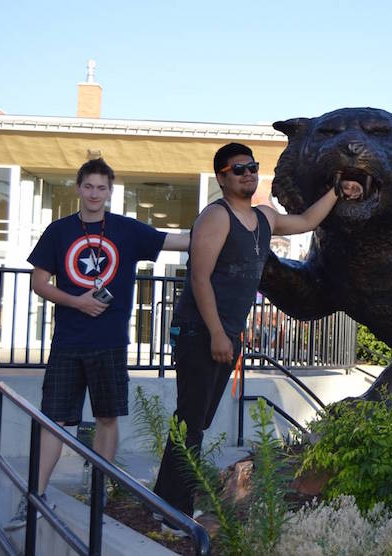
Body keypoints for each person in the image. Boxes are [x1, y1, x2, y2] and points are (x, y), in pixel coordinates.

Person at [152, 142, 357, 532]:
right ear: (222, 177)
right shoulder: (216, 217)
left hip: (226, 333)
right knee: (191, 422)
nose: (248, 174)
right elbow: (199, 278)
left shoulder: (264, 217)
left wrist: (336, 190)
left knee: (194, 422)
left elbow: (307, 221)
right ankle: (171, 512)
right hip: (200, 332)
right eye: (239, 169)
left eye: (252, 167)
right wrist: (216, 333)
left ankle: (165, 503)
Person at [8, 158, 190, 529]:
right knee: (54, 421)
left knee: (107, 418)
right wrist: (78, 301)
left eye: (101, 188)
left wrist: (226, 223)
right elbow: (39, 282)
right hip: (67, 342)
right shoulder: (58, 232)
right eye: (88, 186)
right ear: (78, 188)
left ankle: (99, 491)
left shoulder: (125, 229)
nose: (94, 194)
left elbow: (179, 240)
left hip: (109, 343)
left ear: (110, 191)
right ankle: (34, 497)